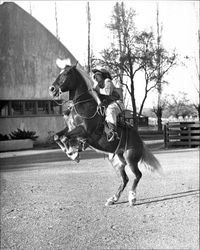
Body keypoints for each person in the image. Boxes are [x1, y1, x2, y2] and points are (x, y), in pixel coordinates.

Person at [92, 68, 124, 142]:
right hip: (108, 104)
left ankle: (113, 131)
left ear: (102, 75)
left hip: (117, 103)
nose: (95, 77)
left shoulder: (107, 81)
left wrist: (96, 90)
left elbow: (107, 92)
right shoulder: (98, 85)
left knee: (110, 109)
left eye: (97, 75)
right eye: (94, 76)